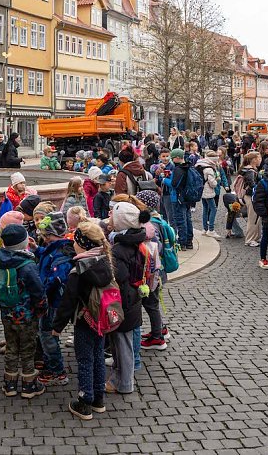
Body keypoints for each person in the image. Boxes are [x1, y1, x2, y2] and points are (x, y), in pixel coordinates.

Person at [51, 221, 114, 420]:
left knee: (85, 360)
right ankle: (98, 399)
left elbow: (68, 301)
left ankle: (85, 401)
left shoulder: (79, 269)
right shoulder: (105, 261)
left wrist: (57, 327)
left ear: (83, 244)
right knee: (97, 357)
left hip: (84, 320)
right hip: (101, 320)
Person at [0, 224, 48, 399]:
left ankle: (9, 384)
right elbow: (37, 290)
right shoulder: (27, 264)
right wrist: (42, 309)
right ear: (24, 242)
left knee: (11, 347)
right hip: (27, 314)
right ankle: (28, 384)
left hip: (7, 313)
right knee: (27, 348)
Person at [108, 202, 149, 395]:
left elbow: (120, 280)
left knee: (123, 346)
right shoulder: (135, 241)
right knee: (123, 344)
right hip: (133, 300)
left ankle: (125, 383)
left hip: (124, 304)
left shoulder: (119, 249)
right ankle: (119, 378)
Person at [35, 212, 73, 387]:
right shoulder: (57, 248)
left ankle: (57, 370)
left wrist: (40, 291)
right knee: (46, 333)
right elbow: (48, 253)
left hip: (52, 302)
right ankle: (51, 364)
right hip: (49, 300)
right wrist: (37, 249)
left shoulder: (61, 255)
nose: (45, 239)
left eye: (46, 236)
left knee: (48, 335)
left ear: (54, 235)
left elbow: (56, 279)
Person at [135, 190, 172, 350]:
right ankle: (160, 329)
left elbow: (156, 247)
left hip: (153, 272)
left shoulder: (152, 224)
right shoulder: (157, 218)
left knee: (151, 304)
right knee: (153, 303)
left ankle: (158, 337)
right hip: (158, 270)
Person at [163, 148, 193, 251]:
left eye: (172, 158)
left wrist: (165, 179)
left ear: (177, 158)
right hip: (187, 197)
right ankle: (189, 242)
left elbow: (174, 184)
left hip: (177, 198)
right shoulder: (188, 166)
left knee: (180, 221)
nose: (171, 160)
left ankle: (182, 243)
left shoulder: (178, 169)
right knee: (188, 220)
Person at [194, 149, 221, 237]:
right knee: (213, 209)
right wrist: (216, 181)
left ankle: (205, 229)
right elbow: (212, 183)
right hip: (208, 191)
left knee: (205, 209)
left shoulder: (199, 165)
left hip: (201, 190)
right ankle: (211, 229)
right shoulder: (209, 169)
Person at [239, 152, 262, 247]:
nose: (260, 159)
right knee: (253, 218)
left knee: (256, 218)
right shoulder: (250, 171)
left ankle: (255, 237)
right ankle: (249, 239)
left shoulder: (250, 170)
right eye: (259, 158)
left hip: (252, 196)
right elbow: (252, 184)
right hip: (250, 196)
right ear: (254, 160)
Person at [153, 148, 174, 222]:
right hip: (159, 192)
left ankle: (173, 231)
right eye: (163, 156)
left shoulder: (172, 166)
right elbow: (156, 178)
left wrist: (165, 171)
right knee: (161, 213)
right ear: (160, 157)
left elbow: (171, 178)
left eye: (167, 156)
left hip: (168, 192)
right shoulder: (157, 166)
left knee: (170, 214)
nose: (165, 158)